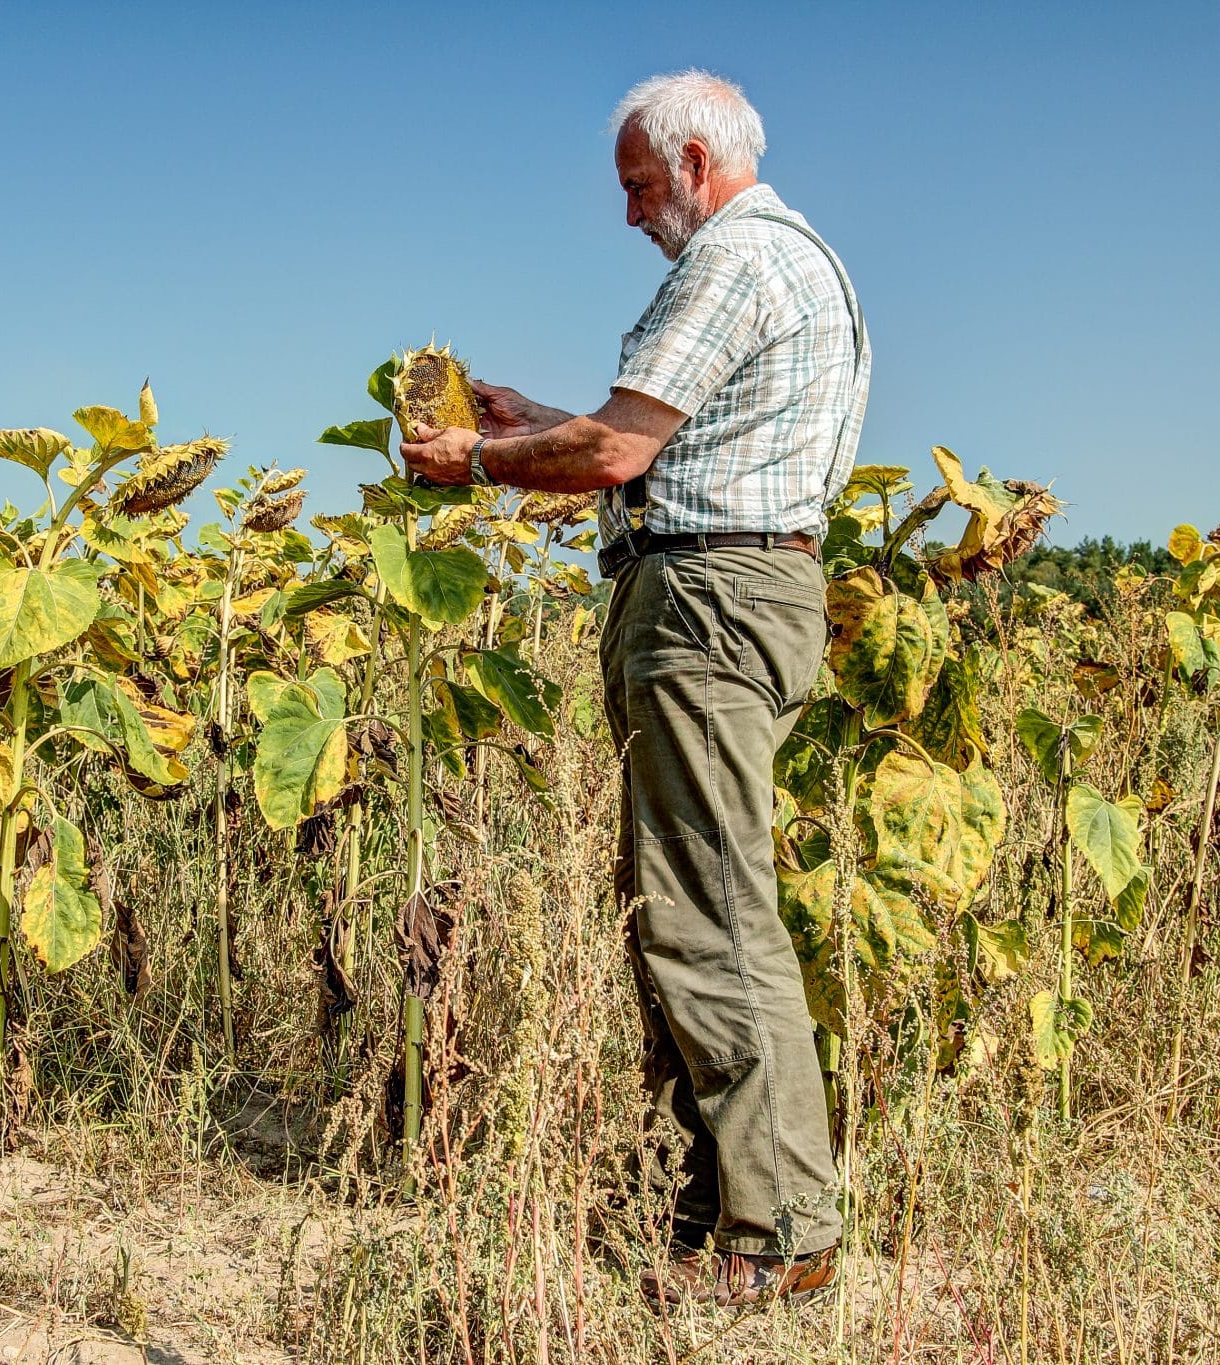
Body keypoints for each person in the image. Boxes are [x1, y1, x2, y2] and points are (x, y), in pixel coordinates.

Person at [400, 68, 870, 1309]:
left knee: (707, 907)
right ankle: (721, 1199)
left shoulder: (731, 262)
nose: (629, 215)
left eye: (638, 186)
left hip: (707, 601)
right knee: (685, 894)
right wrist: (531, 418)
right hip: (732, 586)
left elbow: (613, 453)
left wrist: (477, 459)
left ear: (699, 165)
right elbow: (656, 446)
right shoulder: (793, 261)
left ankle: (776, 1233)